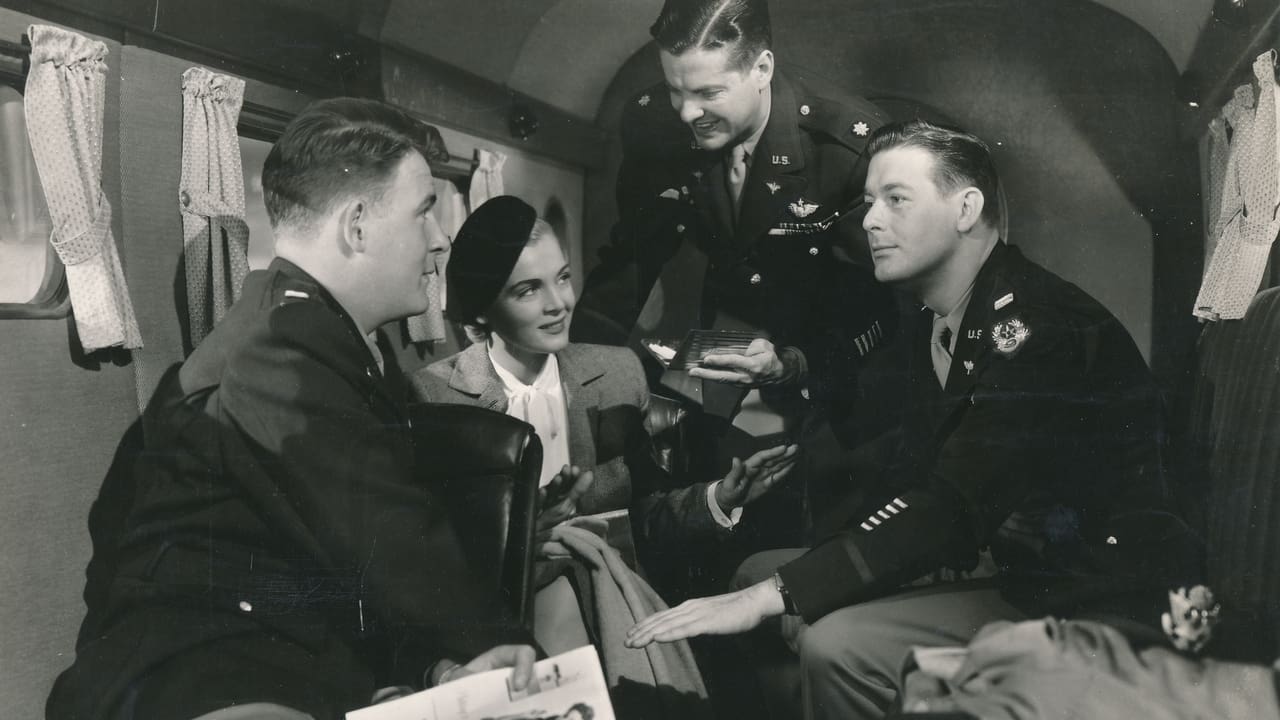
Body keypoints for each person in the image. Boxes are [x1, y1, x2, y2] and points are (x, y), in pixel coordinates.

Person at [626, 120, 1193, 719]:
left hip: (1097, 592)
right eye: (870, 202)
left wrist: (781, 593)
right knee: (754, 573)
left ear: (966, 209)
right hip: (1022, 565)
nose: (870, 221)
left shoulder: (1035, 329)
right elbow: (899, 455)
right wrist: (786, 579)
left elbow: (949, 503)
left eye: (896, 199)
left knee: (833, 645)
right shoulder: (936, 318)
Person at [47, 98, 536, 720]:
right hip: (194, 675)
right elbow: (390, 538)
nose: (440, 240)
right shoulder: (281, 347)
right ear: (357, 226)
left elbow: (352, 559)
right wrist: (525, 664)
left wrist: (438, 667)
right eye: (424, 212)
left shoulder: (320, 335)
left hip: (276, 655)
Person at [574, 0, 900, 550]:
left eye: (708, 93)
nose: (686, 113)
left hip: (835, 355)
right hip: (727, 340)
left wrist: (795, 364)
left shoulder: (847, 144)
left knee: (822, 522)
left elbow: (880, 304)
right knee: (703, 503)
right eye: (675, 90)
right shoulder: (652, 124)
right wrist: (572, 372)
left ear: (762, 69)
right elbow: (630, 260)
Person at [412, 194, 799, 634]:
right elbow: (434, 555)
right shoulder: (436, 394)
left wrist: (720, 498)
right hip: (497, 609)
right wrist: (526, 535)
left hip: (609, 597)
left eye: (562, 278)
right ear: (483, 307)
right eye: (528, 290)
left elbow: (644, 518)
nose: (558, 303)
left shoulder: (618, 372)